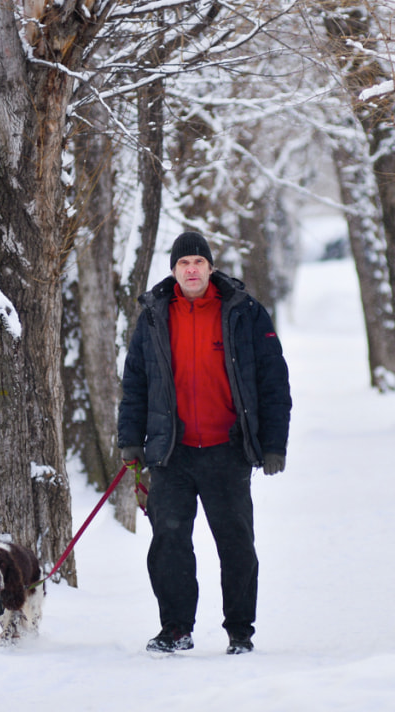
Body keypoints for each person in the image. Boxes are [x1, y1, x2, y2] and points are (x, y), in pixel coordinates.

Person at [118, 231, 292, 655]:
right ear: (173, 270)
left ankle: (239, 632)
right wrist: (130, 440)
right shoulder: (156, 315)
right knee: (169, 544)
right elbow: (136, 383)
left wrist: (274, 444)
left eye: (198, 261)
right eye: (183, 263)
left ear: (210, 267)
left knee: (236, 545)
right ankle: (176, 629)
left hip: (226, 451)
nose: (191, 269)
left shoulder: (244, 312)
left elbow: (273, 380)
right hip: (170, 453)